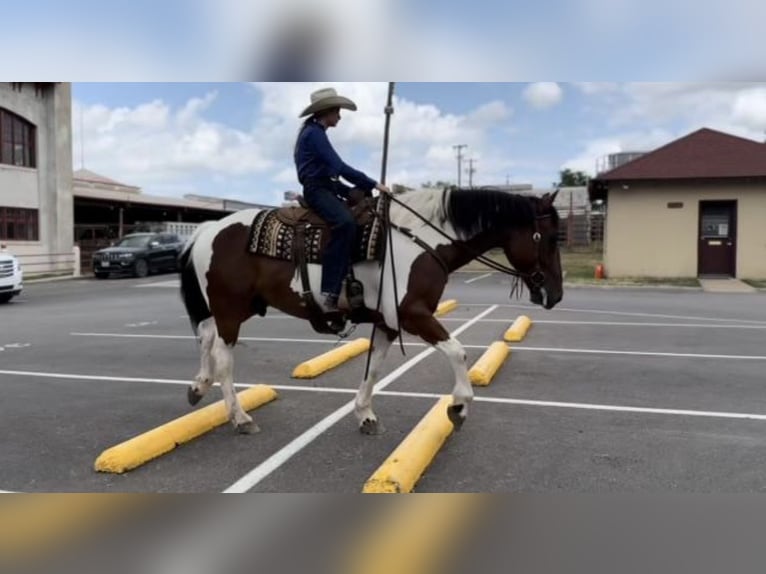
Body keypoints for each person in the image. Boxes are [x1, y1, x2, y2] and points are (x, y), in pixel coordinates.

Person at [294, 87, 391, 315]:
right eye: (337, 111)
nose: (340, 115)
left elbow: (333, 173)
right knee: (345, 223)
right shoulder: (314, 134)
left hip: (327, 185)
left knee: (364, 205)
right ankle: (329, 291)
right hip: (317, 189)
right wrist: (373, 184)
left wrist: (353, 191)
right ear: (326, 111)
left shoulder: (315, 132)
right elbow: (339, 167)